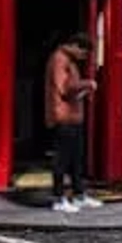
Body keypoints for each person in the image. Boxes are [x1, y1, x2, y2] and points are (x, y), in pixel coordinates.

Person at [45, 32, 101, 213]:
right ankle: (58, 198)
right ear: (75, 46)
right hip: (63, 116)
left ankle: (79, 195)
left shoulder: (68, 60)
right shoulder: (60, 59)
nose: (83, 57)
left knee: (76, 159)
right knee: (62, 160)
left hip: (73, 116)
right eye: (83, 53)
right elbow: (63, 88)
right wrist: (87, 84)